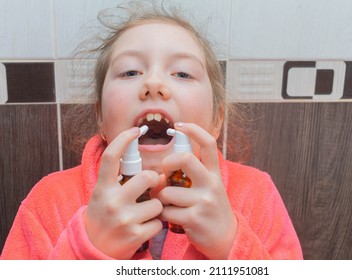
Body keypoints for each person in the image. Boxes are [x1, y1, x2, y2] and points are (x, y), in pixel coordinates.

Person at [0, 1, 302, 260]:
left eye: (182, 73)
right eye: (130, 71)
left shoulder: (256, 193)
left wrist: (230, 244)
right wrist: (87, 250)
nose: (154, 85)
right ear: (101, 117)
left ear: (216, 119)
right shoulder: (49, 201)